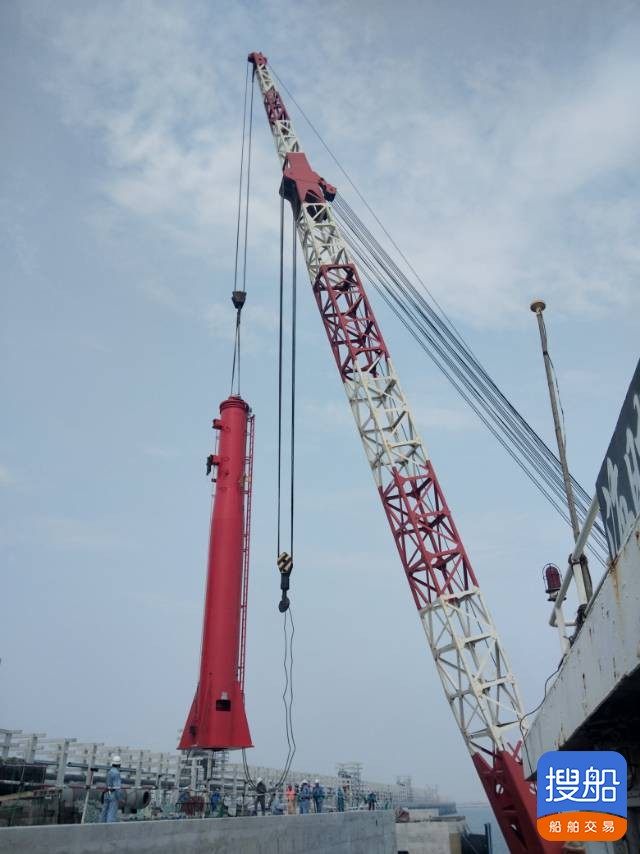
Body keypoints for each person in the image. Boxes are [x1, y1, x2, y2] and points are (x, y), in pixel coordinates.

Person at [100, 755, 122, 822]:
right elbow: (117, 787)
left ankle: (100, 826)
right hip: (113, 794)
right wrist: (119, 798)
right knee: (111, 813)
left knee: (104, 812)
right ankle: (109, 829)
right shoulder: (117, 773)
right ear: (119, 764)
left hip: (107, 793)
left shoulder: (109, 772)